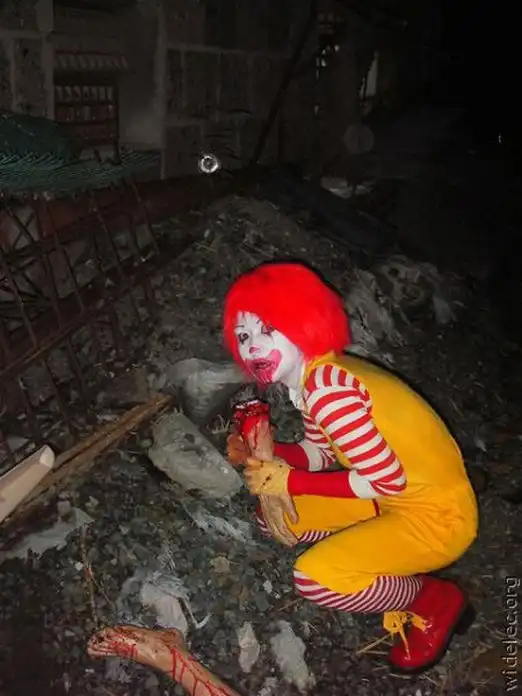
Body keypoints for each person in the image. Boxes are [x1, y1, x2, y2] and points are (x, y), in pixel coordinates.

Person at [224, 261, 478, 674]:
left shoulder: (328, 391)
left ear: (303, 321)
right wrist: (265, 453)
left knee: (313, 580)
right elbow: (320, 453)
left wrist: (290, 480)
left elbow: (384, 479)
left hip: (437, 517)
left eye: (267, 328)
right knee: (275, 519)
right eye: (244, 336)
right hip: (391, 501)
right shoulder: (316, 377)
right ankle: (376, 555)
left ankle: (431, 598)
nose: (253, 347)